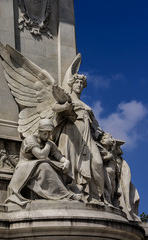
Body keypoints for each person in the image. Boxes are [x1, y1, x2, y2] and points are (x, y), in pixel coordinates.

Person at [53, 73, 105, 204]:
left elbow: (96, 126)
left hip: (87, 137)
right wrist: (65, 107)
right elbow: (54, 108)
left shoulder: (86, 105)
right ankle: (73, 191)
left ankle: (100, 196)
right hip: (70, 134)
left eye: (82, 83)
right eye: (77, 82)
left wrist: (99, 134)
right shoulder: (68, 98)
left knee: (97, 163)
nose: (80, 85)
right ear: (71, 84)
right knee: (71, 166)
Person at [6, 119, 82, 206]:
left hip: (37, 165)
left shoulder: (48, 142)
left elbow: (58, 156)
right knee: (44, 165)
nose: (48, 135)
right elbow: (41, 155)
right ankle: (66, 195)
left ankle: (73, 189)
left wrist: (66, 161)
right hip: (25, 167)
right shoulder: (30, 139)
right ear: (39, 131)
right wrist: (49, 145)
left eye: (50, 133)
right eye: (45, 133)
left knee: (60, 166)